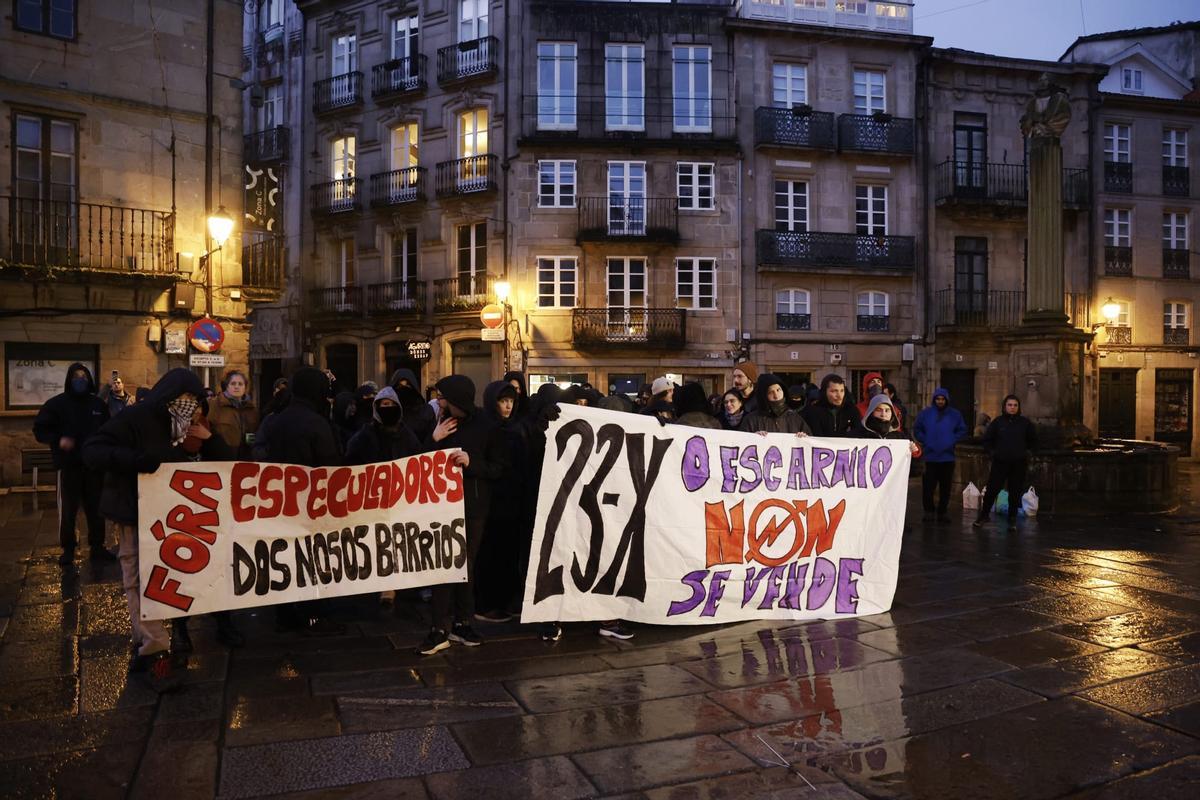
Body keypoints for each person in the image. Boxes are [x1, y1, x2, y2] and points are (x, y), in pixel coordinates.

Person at [83, 368, 234, 692]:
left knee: (162, 579)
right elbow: (93, 450)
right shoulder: (134, 419)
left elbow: (224, 462)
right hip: (132, 512)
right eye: (188, 399)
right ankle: (154, 650)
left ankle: (148, 641)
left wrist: (211, 439)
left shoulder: (186, 426)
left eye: (196, 402)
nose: (192, 407)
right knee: (137, 578)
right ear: (172, 397)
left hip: (172, 517)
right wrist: (137, 460)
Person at [419, 375, 506, 655]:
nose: (439, 402)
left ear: (457, 400)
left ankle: (462, 623)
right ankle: (437, 628)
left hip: (473, 507)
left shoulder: (487, 427)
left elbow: (498, 468)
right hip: (440, 507)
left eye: (443, 397)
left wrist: (472, 463)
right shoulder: (436, 422)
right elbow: (416, 463)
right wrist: (434, 440)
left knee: (465, 568)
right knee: (443, 566)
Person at [265, 368, 346, 636]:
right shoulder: (316, 423)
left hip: (280, 502)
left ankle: (285, 613)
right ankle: (313, 613)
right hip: (312, 503)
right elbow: (330, 465)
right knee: (312, 557)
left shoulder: (276, 420)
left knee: (286, 557)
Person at [345, 386, 423, 610]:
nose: (387, 409)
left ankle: (391, 585)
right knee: (379, 542)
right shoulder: (364, 435)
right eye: (383, 406)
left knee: (397, 541)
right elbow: (351, 461)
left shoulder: (407, 435)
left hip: (400, 499)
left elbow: (418, 461)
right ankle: (383, 584)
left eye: (391, 405)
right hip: (373, 499)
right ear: (376, 408)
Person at [33, 363, 112, 565]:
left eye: (84, 376)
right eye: (76, 376)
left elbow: (108, 431)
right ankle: (68, 548)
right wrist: (58, 439)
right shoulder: (56, 405)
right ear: (69, 379)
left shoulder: (98, 406)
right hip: (69, 466)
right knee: (69, 510)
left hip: (94, 467)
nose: (80, 380)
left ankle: (97, 546)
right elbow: (40, 429)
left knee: (96, 509)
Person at [475, 380, 527, 622]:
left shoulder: (517, 428)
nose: (507, 407)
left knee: (508, 553)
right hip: (489, 503)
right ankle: (486, 603)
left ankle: (506, 599)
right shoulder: (484, 427)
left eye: (511, 402)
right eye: (503, 402)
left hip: (512, 503)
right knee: (489, 553)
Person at [974, 395, 1037, 533]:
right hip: (1000, 462)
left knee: (1015, 492)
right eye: (1010, 405)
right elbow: (987, 440)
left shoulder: (1025, 423)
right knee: (992, 490)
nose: (1012, 407)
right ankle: (984, 515)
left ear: (1018, 407)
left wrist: (1027, 453)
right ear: (1005, 406)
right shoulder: (997, 422)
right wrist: (993, 453)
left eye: (1015, 405)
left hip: (1018, 463)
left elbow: (1033, 440)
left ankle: (1012, 518)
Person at [913, 388, 968, 523]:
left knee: (945, 487)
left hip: (947, 457)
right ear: (934, 399)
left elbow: (962, 429)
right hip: (930, 456)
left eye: (942, 399)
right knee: (928, 487)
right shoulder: (926, 414)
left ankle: (942, 512)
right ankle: (929, 511)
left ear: (946, 400)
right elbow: (917, 429)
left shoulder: (955, 414)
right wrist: (926, 440)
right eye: (938, 399)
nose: (940, 401)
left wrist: (951, 439)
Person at [207, 369, 259, 459]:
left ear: (245, 387)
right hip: (220, 458)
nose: (236, 387)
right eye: (233, 383)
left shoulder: (252, 409)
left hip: (246, 459)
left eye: (240, 384)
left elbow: (255, 433)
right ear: (227, 386)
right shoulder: (214, 405)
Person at [852, 395, 922, 458]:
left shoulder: (900, 437)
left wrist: (915, 452)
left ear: (892, 413)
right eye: (879, 410)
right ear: (871, 412)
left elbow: (914, 465)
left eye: (887, 410)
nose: (883, 414)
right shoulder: (858, 434)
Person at [744, 374, 812, 436]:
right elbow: (740, 443)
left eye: (778, 390)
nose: (776, 396)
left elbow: (810, 442)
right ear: (763, 396)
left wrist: (804, 438)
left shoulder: (795, 419)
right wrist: (752, 438)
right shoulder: (751, 420)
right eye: (770, 392)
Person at [389, 368, 437, 443]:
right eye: (400, 386)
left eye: (407, 386)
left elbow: (432, 439)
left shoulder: (426, 411)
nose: (403, 390)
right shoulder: (388, 410)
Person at [801, 374, 857, 438]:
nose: (839, 396)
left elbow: (859, 432)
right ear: (824, 392)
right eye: (834, 391)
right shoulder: (812, 412)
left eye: (842, 391)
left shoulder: (851, 410)